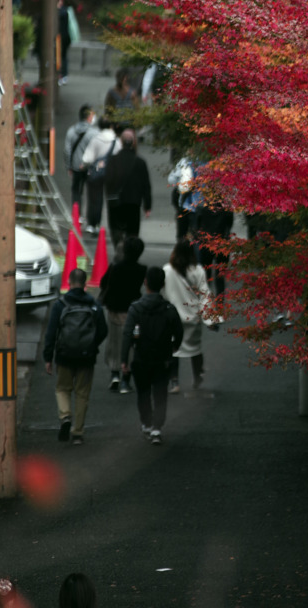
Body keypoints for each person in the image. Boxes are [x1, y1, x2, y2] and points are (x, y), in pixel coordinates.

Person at [43, 268, 108, 445]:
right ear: (85, 283)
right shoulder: (94, 305)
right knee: (82, 394)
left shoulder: (60, 304)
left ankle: (65, 416)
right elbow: (103, 330)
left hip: (64, 355)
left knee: (62, 389)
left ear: (69, 282)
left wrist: (48, 357)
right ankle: (78, 433)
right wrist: (91, 344)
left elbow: (51, 333)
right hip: (86, 357)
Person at [121, 265, 183, 445]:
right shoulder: (169, 309)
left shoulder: (136, 308)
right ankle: (157, 427)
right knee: (160, 392)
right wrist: (174, 347)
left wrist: (124, 359)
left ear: (145, 282)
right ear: (163, 284)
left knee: (143, 393)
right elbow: (179, 331)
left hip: (141, 357)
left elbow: (127, 334)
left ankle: (147, 423)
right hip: (163, 357)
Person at [162, 238, 212, 394]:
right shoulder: (198, 271)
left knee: (173, 350)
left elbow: (162, 292)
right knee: (195, 349)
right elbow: (205, 294)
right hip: (193, 317)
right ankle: (197, 376)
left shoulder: (168, 270)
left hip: (173, 318)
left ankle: (174, 382)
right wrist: (210, 318)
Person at [98, 235, 147, 393]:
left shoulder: (116, 267)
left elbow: (104, 283)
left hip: (114, 309)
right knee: (131, 344)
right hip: (132, 312)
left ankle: (115, 375)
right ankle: (126, 380)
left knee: (114, 342)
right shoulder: (142, 270)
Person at [104, 129, 152, 246]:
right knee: (132, 231)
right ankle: (130, 251)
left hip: (115, 201)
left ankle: (119, 249)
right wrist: (147, 205)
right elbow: (146, 185)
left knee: (116, 229)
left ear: (121, 142)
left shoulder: (113, 160)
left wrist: (109, 196)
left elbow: (107, 181)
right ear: (134, 142)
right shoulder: (140, 162)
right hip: (133, 202)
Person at [80, 117, 120, 234]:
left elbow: (87, 158)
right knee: (112, 198)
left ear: (99, 126)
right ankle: (114, 226)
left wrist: (84, 165)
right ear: (110, 126)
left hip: (97, 172)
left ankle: (93, 224)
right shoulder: (116, 141)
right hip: (113, 173)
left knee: (95, 198)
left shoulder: (96, 139)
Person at [64, 105, 98, 212]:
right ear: (89, 117)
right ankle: (91, 217)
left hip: (76, 167)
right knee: (92, 192)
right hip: (90, 167)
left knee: (76, 191)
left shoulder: (71, 131)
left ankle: (77, 215)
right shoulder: (94, 133)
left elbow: (67, 150)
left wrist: (69, 166)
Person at [104, 67, 138, 131]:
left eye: (123, 78)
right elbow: (107, 109)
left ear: (126, 78)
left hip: (129, 124)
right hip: (116, 124)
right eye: (119, 78)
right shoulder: (112, 92)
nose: (121, 80)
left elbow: (137, 109)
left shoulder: (132, 93)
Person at [57, 0, 71, 85]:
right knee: (61, 57)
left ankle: (63, 75)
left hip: (63, 38)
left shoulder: (63, 11)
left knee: (62, 57)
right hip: (62, 37)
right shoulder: (63, 11)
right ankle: (62, 75)